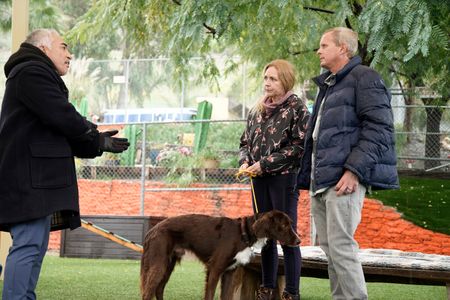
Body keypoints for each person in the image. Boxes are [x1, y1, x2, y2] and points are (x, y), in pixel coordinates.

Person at [0, 28, 130, 299]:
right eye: (64, 47)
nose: (69, 55)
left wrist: (96, 142)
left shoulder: (34, 74)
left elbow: (59, 128)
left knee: (35, 245)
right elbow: (62, 115)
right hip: (29, 180)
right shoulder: (30, 72)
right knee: (29, 245)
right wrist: (94, 135)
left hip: (36, 180)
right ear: (44, 48)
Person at [297, 27, 399, 300]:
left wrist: (354, 171)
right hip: (324, 182)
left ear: (343, 48)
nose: (318, 50)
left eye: (324, 45)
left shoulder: (364, 77)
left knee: (341, 246)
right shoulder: (330, 83)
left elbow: (380, 130)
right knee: (331, 248)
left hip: (345, 180)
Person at [239, 59, 310, 300]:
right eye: (265, 78)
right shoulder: (256, 109)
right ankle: (267, 288)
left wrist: (266, 164)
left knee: (286, 236)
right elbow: (244, 142)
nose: (267, 83)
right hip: (257, 180)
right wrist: (245, 162)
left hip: (284, 180)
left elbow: (300, 147)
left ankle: (291, 292)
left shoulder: (297, 108)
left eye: (273, 79)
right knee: (264, 233)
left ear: (285, 81)